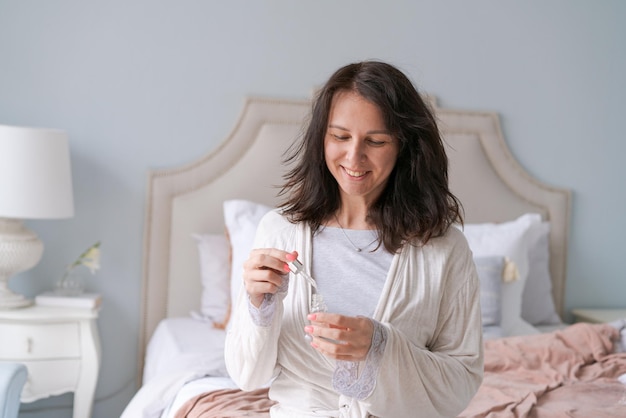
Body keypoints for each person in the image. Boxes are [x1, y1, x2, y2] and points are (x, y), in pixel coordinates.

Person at [224, 60, 484, 418]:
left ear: (404, 146)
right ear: (321, 139)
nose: (354, 157)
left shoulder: (444, 247)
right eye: (340, 137)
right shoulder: (279, 231)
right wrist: (258, 306)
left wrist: (380, 347)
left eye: (375, 141)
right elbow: (246, 375)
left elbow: (461, 384)